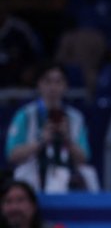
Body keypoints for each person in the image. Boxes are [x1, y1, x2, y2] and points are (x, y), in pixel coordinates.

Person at [5, 62, 101, 193]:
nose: (53, 87)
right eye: (48, 81)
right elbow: (12, 155)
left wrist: (68, 140)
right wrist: (41, 141)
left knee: (88, 175)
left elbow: (83, 158)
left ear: (65, 85)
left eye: (58, 81)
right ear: (39, 84)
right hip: (31, 175)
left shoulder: (76, 117)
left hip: (68, 175)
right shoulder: (25, 115)